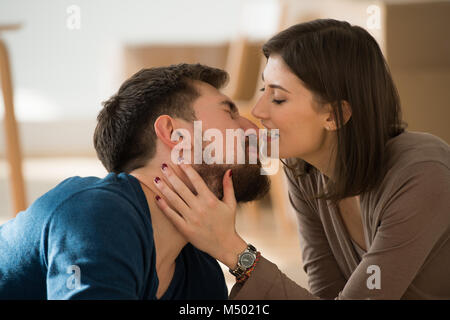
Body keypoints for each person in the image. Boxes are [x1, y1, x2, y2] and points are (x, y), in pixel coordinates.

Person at [155, 19, 450, 299]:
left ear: (334, 115)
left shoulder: (423, 176)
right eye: (263, 90)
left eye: (279, 98)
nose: (257, 111)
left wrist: (233, 250)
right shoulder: (305, 172)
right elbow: (323, 293)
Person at [0, 63, 270, 299]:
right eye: (229, 113)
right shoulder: (95, 214)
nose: (252, 128)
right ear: (174, 134)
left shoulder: (200, 273)